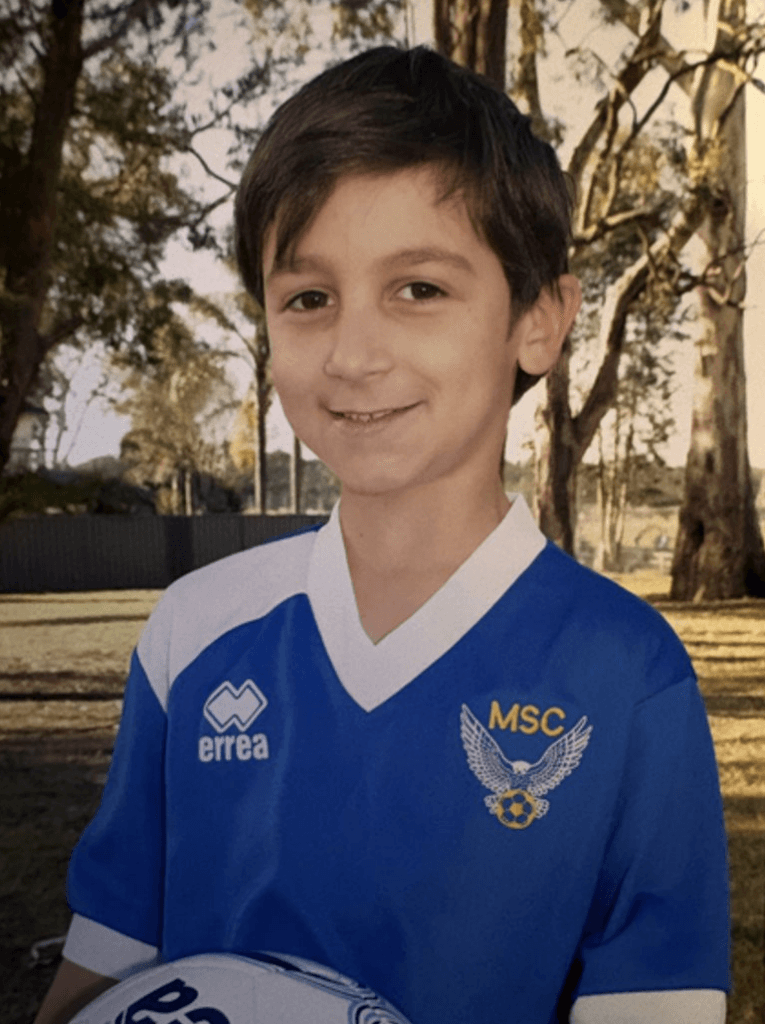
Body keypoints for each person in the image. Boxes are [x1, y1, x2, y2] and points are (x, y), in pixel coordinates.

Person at [35, 45, 729, 1024]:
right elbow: (98, 973)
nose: (354, 355)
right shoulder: (196, 632)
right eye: (308, 299)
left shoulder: (627, 673)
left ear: (539, 319)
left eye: (419, 289)